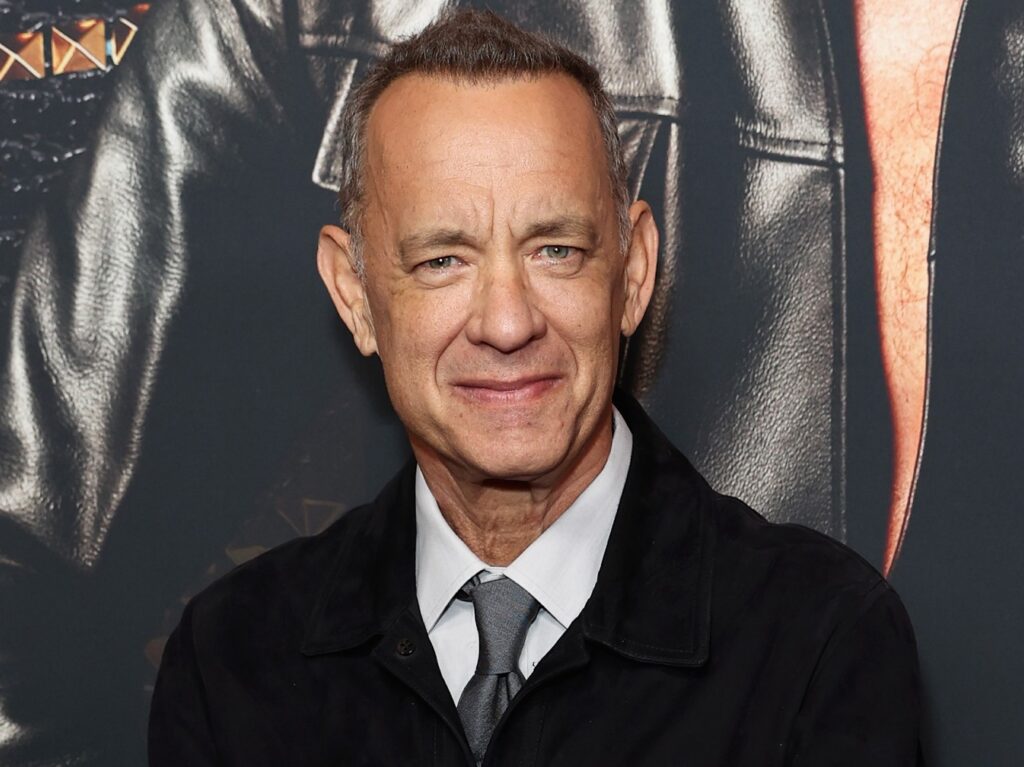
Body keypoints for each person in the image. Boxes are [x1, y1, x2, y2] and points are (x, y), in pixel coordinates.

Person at [147, 12, 921, 765]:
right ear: (355, 295)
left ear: (635, 271)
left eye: (556, 249)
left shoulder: (817, 644)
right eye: (442, 260)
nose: (508, 323)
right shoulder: (233, 662)